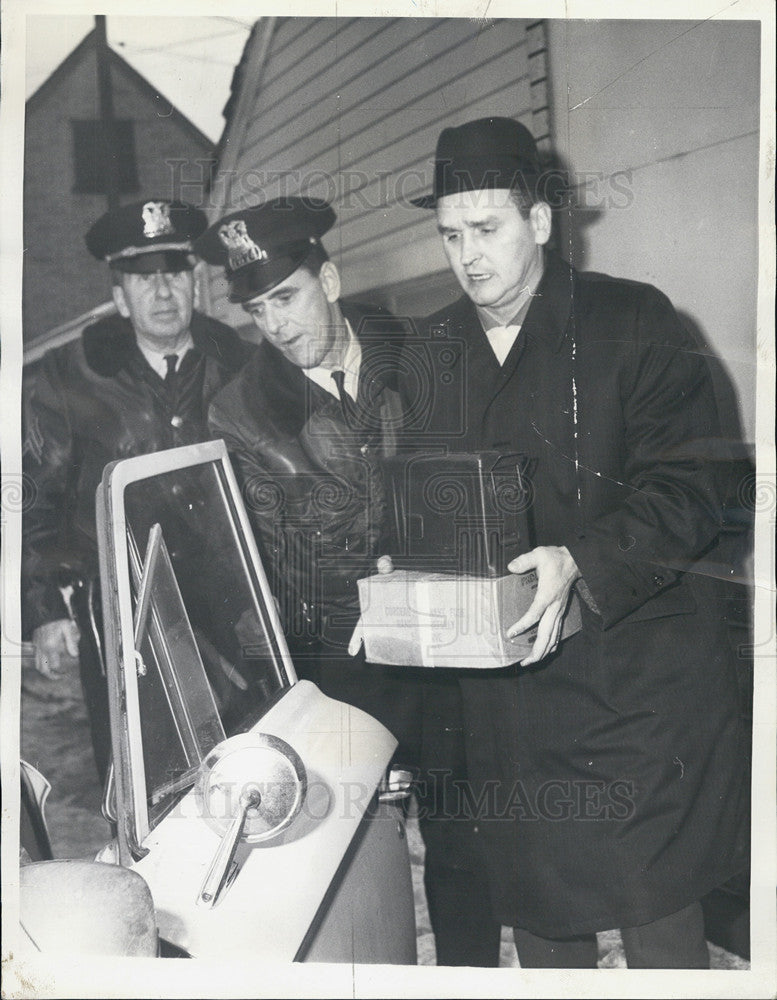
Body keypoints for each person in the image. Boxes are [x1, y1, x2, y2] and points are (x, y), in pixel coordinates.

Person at [403, 116, 748, 968]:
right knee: (540, 905)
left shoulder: (634, 320)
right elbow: (423, 498)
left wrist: (580, 561)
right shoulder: (433, 350)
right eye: (450, 235)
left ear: (542, 223)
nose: (467, 256)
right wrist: (403, 565)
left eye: (486, 230)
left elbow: (696, 488)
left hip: (639, 682)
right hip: (514, 690)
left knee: (655, 907)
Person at [200, 198, 499, 966]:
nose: (277, 323)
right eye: (258, 308)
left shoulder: (424, 348)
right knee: (355, 851)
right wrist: (369, 585)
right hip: (340, 655)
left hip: (446, 636)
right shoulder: (239, 411)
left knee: (461, 836)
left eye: (288, 296)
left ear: (327, 278)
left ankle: (465, 976)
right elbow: (269, 555)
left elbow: (474, 473)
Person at [22, 198, 252, 783]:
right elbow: (34, 497)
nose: (163, 291)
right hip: (127, 601)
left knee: (247, 750)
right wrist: (46, 608)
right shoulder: (69, 378)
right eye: (143, 279)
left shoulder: (238, 362)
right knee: (142, 764)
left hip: (236, 595)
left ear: (196, 283)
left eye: (175, 273)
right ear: (120, 296)